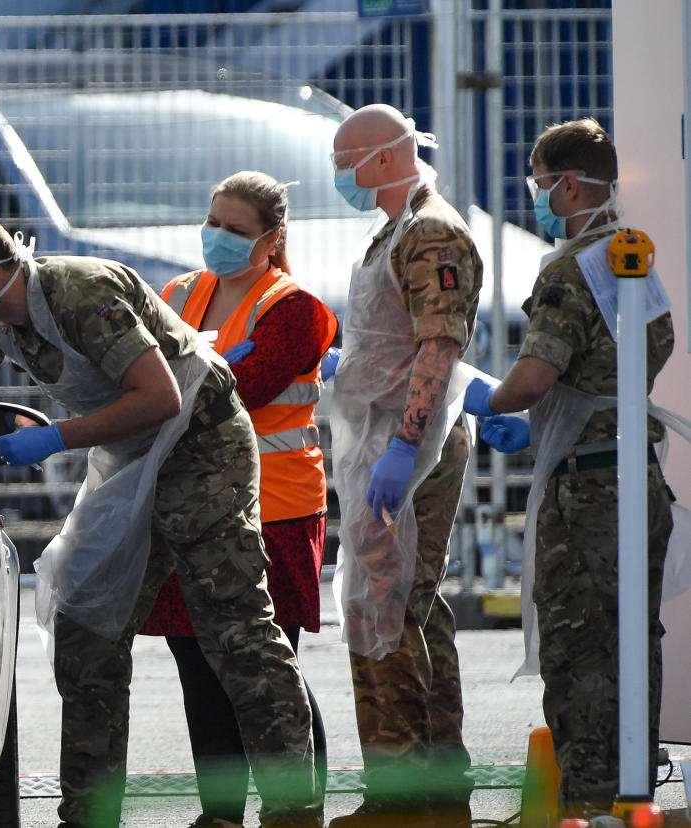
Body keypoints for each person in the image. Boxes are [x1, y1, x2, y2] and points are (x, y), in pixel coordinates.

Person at [0, 207, 322, 828]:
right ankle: (89, 812)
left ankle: (294, 808)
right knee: (86, 629)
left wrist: (56, 440)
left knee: (236, 629)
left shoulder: (80, 292)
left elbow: (160, 398)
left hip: (200, 446)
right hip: (130, 455)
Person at [461, 118, 675, 822]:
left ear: (569, 184)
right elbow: (634, 364)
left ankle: (587, 801)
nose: (537, 193)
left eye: (540, 179)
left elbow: (535, 375)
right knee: (633, 637)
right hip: (637, 473)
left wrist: (483, 397)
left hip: (586, 487)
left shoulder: (568, 270)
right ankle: (633, 789)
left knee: (579, 642)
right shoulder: (634, 259)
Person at [137, 171, 336, 828]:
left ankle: (295, 806)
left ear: (271, 240)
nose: (217, 238)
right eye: (213, 222)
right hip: (188, 509)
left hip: (271, 509)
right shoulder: (178, 292)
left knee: (265, 669)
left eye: (236, 230)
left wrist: (190, 372)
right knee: (196, 660)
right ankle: (219, 815)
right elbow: (140, 379)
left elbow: (225, 392)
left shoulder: (293, 307)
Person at [324, 104, 481, 828]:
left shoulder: (430, 231)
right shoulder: (395, 231)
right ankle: (434, 781)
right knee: (406, 605)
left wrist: (407, 443)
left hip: (404, 447)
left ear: (383, 158)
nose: (340, 176)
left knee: (390, 608)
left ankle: (404, 791)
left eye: (344, 160)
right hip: (385, 438)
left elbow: (438, 346)